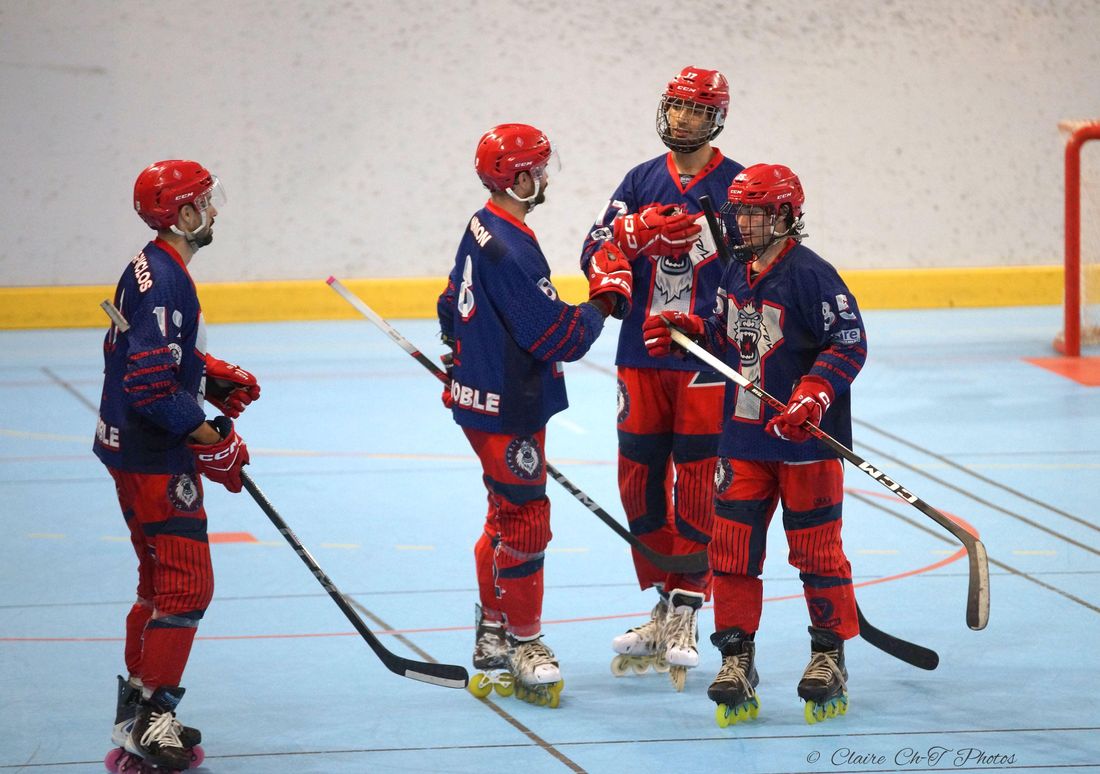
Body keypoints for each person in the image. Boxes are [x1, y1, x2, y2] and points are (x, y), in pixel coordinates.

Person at [642, 163, 867, 726]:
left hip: (806, 446)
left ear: (786, 216)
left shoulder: (813, 275)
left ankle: (829, 656)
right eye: (739, 213)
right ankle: (736, 660)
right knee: (732, 554)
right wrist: (691, 333)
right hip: (743, 440)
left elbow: (849, 342)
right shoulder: (733, 273)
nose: (742, 224)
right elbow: (730, 339)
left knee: (817, 553)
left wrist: (814, 393)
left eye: (755, 214)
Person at [438, 123, 632, 709]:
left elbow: (450, 302)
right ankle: (524, 640)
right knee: (525, 520)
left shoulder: (482, 225)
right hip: (509, 406)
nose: (546, 177)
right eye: (540, 169)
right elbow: (558, 336)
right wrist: (607, 297)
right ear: (520, 178)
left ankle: (492, 626)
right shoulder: (511, 247)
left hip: (481, 396)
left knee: (504, 512)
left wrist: (462, 353)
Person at [579, 65, 744, 690]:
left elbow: (755, 273)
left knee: (698, 482)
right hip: (640, 355)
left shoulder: (736, 186)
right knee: (639, 482)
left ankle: (689, 607)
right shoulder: (640, 179)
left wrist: (711, 324)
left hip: (703, 359)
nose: (682, 119)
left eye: (696, 110)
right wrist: (633, 238)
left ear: (716, 119)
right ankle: (664, 600)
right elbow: (595, 247)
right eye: (676, 106)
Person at [95, 160, 259, 768]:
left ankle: (135, 710)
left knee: (157, 582)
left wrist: (203, 376)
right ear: (184, 214)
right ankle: (152, 718)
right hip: (155, 456)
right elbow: (149, 387)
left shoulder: (148, 265)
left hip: (127, 446)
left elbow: (138, 355)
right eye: (205, 203)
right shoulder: (168, 282)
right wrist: (214, 439)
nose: (213, 212)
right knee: (188, 585)